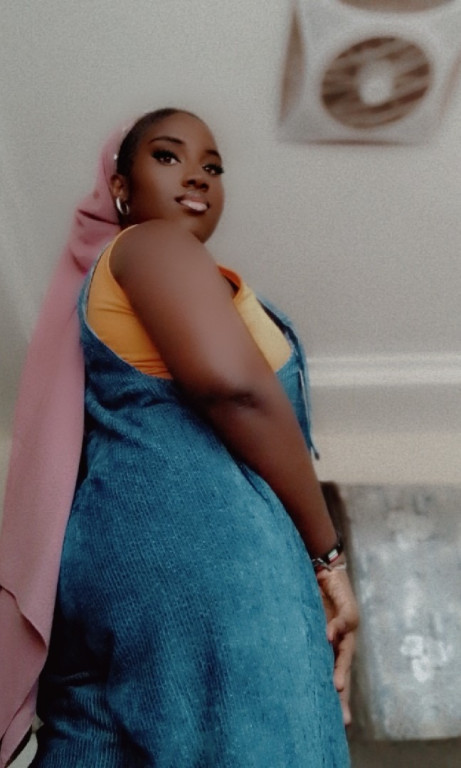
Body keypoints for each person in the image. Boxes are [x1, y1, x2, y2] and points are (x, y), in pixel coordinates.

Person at [0, 108, 358, 767]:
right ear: (120, 187)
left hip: (117, 568)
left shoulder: (132, 275)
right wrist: (327, 557)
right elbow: (235, 388)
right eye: (167, 156)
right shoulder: (154, 244)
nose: (197, 175)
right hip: (209, 554)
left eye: (212, 166)